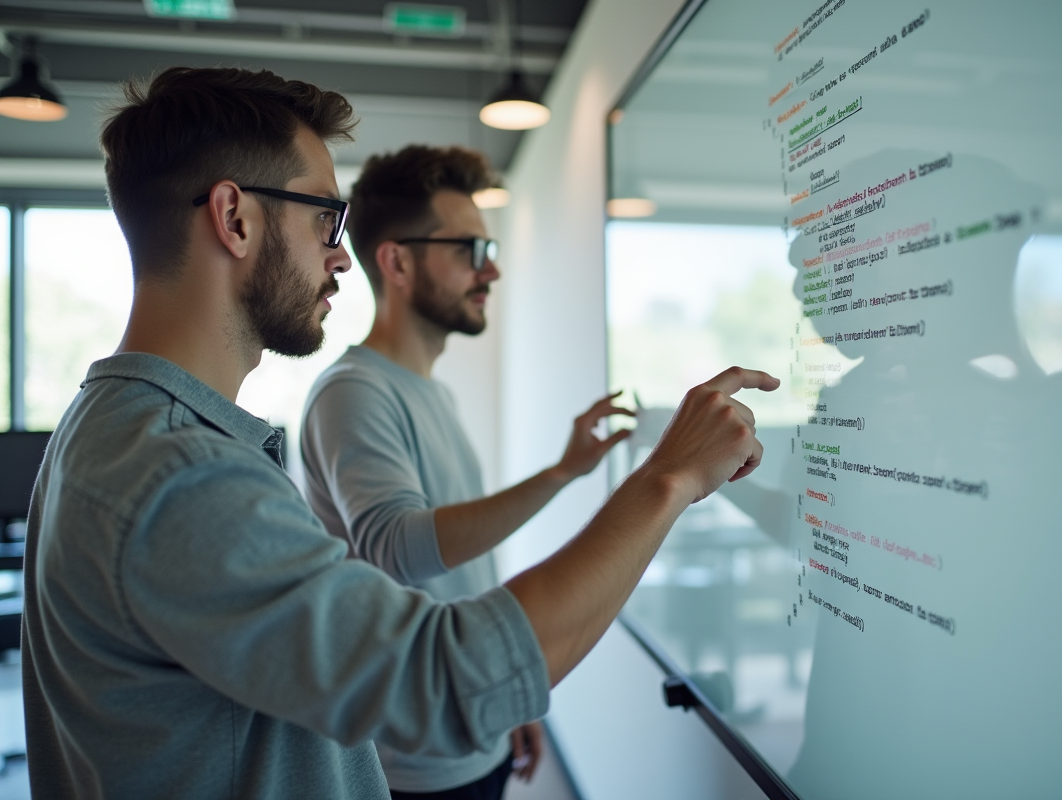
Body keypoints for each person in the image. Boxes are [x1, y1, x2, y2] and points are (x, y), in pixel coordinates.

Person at [20, 66, 778, 800]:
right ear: (235, 217)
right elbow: (447, 677)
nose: (339, 254)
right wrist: (668, 478)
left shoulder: (111, 428)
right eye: (325, 217)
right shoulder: (178, 473)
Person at [300, 145, 630, 799]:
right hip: (415, 760)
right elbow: (402, 548)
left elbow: (461, 573)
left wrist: (510, 699)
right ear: (396, 261)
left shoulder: (432, 393)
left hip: (474, 728)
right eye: (471, 251)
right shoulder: (355, 392)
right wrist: (559, 476)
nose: (494, 270)